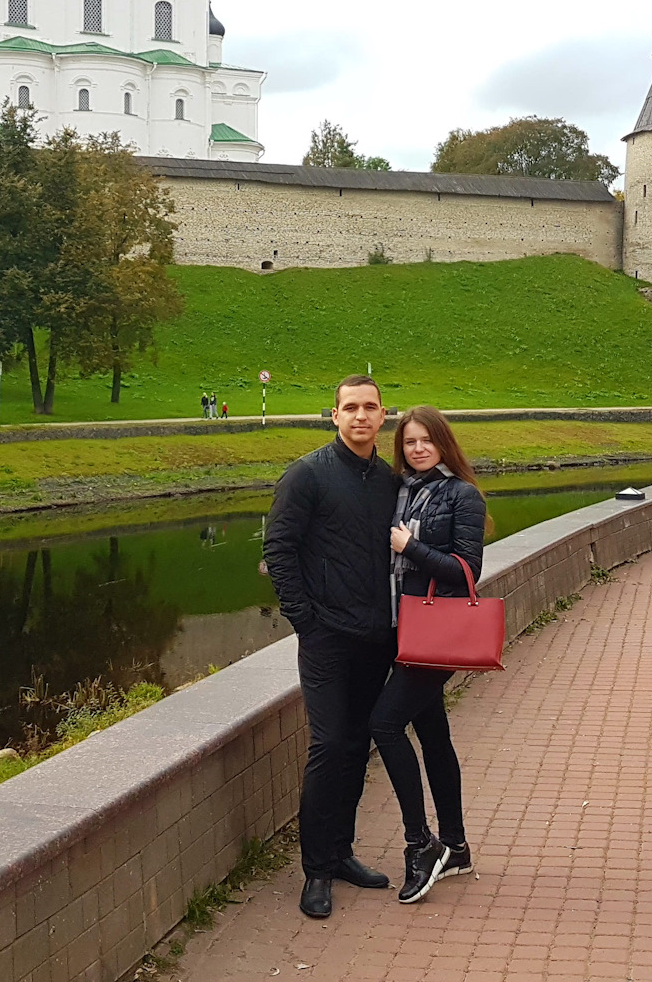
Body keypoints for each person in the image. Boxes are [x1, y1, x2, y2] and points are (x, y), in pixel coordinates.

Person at [263, 374, 398, 919]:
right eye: (351, 408)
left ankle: (341, 853)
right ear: (335, 415)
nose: (361, 416)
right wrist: (306, 622)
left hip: (375, 638)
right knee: (328, 743)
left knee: (355, 745)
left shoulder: (388, 479)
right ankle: (316, 870)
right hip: (327, 639)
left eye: (370, 408)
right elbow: (279, 548)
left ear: (382, 416)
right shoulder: (308, 475)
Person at [372, 405, 485, 905]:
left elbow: (467, 571)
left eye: (426, 441)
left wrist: (410, 547)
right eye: (410, 442)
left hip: (436, 637)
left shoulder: (462, 495)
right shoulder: (397, 491)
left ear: (443, 442)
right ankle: (456, 846)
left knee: (384, 724)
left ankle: (422, 844)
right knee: (434, 735)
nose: (418, 449)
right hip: (403, 632)